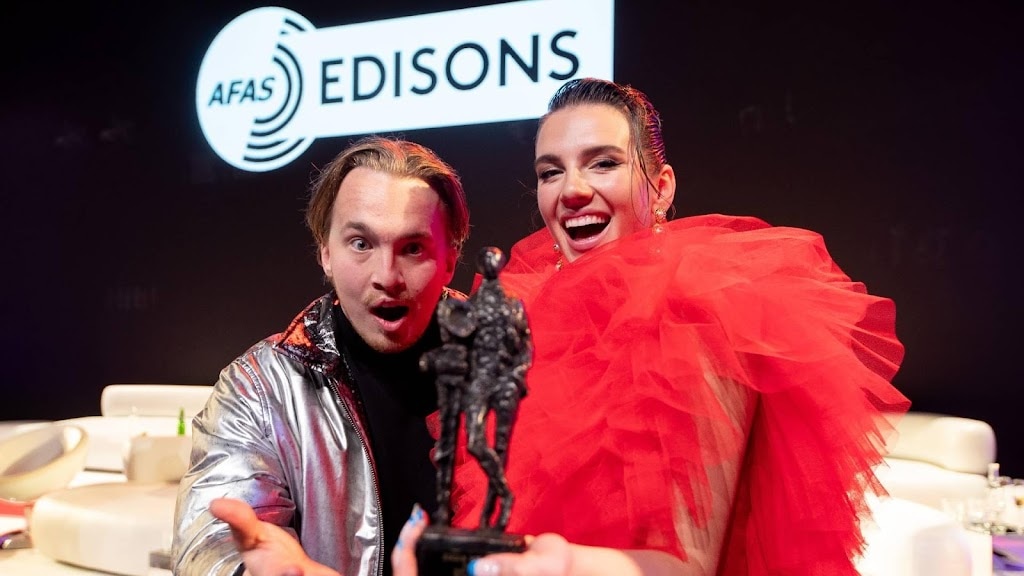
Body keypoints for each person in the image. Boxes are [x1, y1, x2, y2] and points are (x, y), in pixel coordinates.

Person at [396, 77, 911, 575]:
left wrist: (545, 560)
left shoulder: (700, 312)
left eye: (603, 163)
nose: (572, 190)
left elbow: (685, 565)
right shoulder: (528, 316)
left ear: (661, 188)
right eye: (550, 172)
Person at [171, 135, 471, 576]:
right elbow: (214, 539)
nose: (387, 276)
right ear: (326, 253)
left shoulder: (516, 363)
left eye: (413, 248)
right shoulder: (260, 387)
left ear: (450, 258)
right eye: (361, 244)